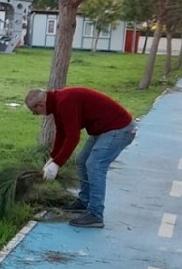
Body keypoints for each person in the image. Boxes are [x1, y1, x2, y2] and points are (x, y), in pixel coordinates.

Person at [24, 87, 137, 229]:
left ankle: (96, 214)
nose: (37, 114)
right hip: (103, 130)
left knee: (95, 165)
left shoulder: (64, 101)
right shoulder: (58, 103)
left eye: (35, 112)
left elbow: (72, 137)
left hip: (119, 129)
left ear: (40, 104)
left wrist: (57, 164)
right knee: (82, 161)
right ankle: (84, 202)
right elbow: (62, 133)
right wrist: (52, 158)